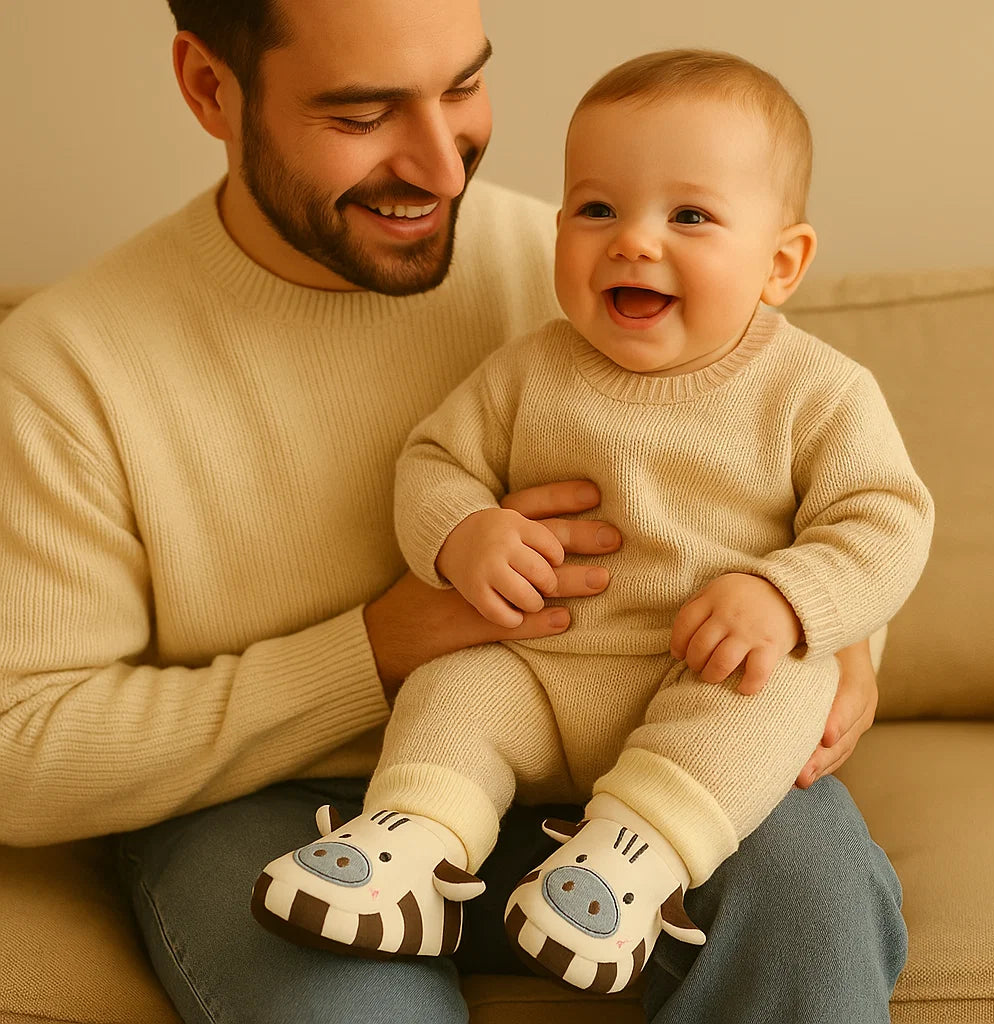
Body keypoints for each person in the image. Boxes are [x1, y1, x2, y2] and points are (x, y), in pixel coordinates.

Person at [0, 1, 906, 1021]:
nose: (441, 168)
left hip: (647, 747)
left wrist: (839, 628)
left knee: (811, 897)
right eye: (361, 114)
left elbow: (807, 473)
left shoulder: (586, 263)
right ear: (212, 88)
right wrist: (374, 651)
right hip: (283, 806)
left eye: (463, 88)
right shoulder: (65, 374)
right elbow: (18, 752)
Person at [255, 47, 933, 996]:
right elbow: (433, 462)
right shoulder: (532, 368)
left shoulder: (813, 392)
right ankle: (413, 845)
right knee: (457, 690)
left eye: (688, 215)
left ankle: (630, 860)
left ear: (782, 263)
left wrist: (789, 598)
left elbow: (887, 519)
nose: (632, 242)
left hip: (696, 673)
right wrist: (462, 536)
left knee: (782, 686)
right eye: (597, 209)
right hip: (537, 666)